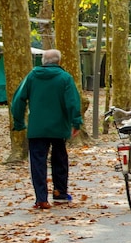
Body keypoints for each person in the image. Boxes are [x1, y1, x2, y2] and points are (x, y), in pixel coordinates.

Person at [11, 49, 82, 210]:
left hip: (37, 128)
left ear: (43, 61)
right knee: (60, 160)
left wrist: (19, 122)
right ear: (59, 61)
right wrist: (76, 122)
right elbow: (72, 102)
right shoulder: (65, 78)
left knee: (37, 163)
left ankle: (41, 199)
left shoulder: (31, 77)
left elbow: (18, 100)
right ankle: (60, 193)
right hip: (59, 127)